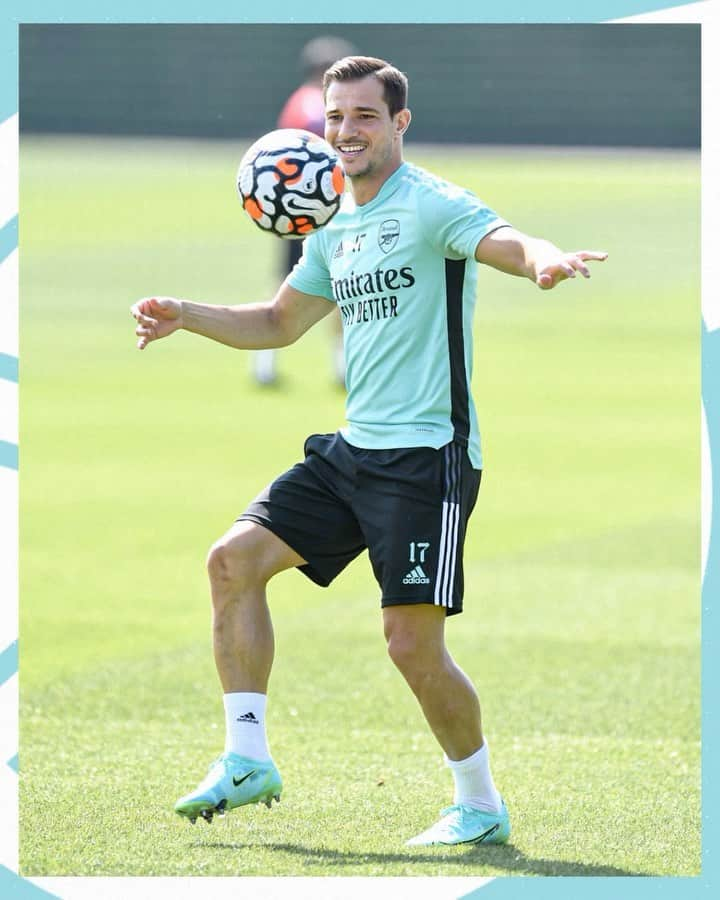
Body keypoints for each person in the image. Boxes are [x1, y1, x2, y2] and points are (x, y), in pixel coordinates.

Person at [131, 56, 607, 846]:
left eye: (364, 117)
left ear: (399, 125)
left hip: (427, 459)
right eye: (336, 118)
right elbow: (279, 324)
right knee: (232, 561)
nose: (347, 132)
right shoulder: (332, 224)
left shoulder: (430, 204)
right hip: (354, 452)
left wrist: (542, 259)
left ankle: (480, 804)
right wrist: (187, 313)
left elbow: (505, 238)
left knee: (410, 645)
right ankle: (246, 757)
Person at [253, 35, 355, 387]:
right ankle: (341, 367)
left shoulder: (296, 101)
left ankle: (264, 364)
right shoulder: (316, 104)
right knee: (343, 284)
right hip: (317, 207)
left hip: (291, 206)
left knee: (285, 280)